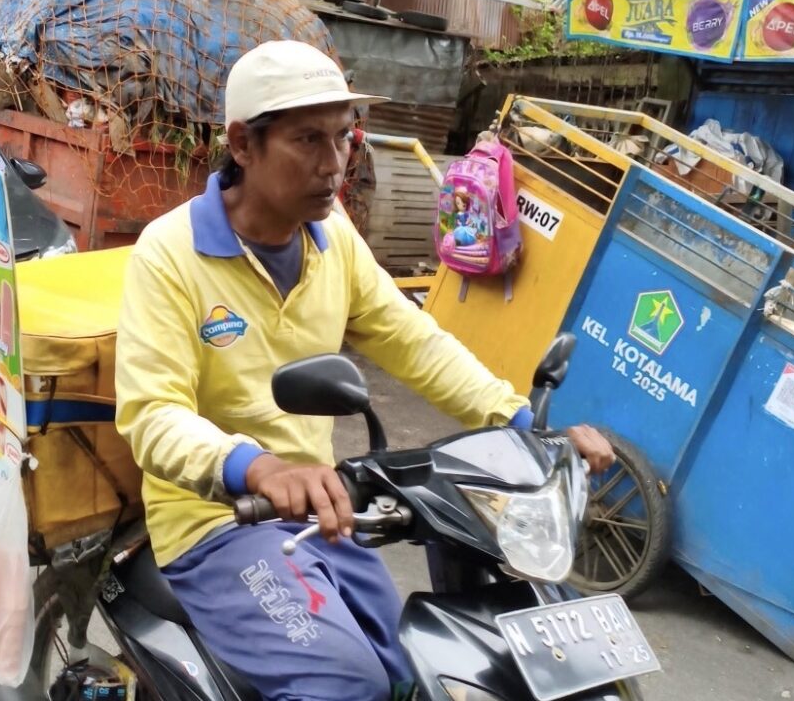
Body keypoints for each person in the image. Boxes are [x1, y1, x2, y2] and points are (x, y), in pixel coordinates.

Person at [114, 40, 614, 701]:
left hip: (327, 510)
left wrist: (523, 424)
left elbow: (413, 341)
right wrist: (257, 466)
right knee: (346, 686)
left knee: (423, 673)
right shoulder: (170, 254)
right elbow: (151, 414)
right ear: (242, 144)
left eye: (345, 137)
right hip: (218, 523)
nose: (334, 164)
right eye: (309, 141)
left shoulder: (333, 236)